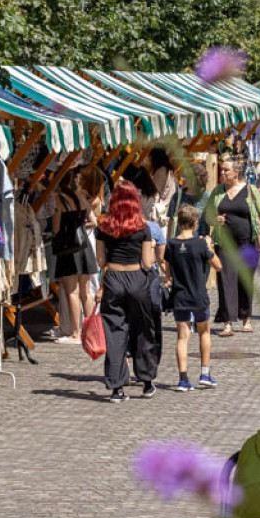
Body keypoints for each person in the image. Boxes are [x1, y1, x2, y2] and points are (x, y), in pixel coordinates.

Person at [94, 179, 162, 402]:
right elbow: (148, 262)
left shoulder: (103, 227)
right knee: (143, 329)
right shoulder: (142, 228)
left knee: (114, 332)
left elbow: (100, 261)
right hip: (137, 278)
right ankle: (147, 380)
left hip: (113, 278)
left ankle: (117, 387)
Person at [201, 158, 260, 336]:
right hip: (224, 243)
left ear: (236, 172)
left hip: (247, 243)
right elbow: (207, 215)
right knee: (225, 280)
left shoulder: (249, 190)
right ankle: (228, 322)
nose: (222, 173)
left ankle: (246, 318)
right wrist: (215, 220)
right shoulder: (217, 192)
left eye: (226, 170)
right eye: (222, 170)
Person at [164, 204, 219, 393]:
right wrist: (210, 247)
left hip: (180, 295)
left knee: (182, 336)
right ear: (195, 223)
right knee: (204, 332)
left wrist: (170, 277)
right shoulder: (200, 244)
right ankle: (204, 373)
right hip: (198, 295)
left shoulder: (171, 244)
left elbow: (167, 267)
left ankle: (183, 378)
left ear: (179, 223)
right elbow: (217, 265)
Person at [49, 165, 104, 343]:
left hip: (68, 248)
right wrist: (79, 227)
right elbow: (94, 222)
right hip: (84, 246)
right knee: (86, 292)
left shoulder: (59, 200)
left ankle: (75, 333)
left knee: (72, 292)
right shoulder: (81, 197)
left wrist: (66, 229)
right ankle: (91, 331)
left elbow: (56, 229)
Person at [146, 145, 180, 228]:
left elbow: (153, 190)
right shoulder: (168, 170)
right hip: (168, 208)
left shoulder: (161, 171)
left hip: (162, 211)